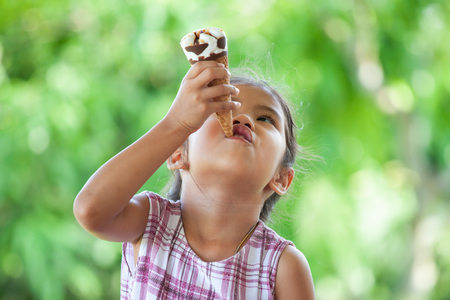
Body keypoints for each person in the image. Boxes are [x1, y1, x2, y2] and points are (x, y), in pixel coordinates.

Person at [74, 61, 315, 299]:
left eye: (265, 119)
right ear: (178, 152)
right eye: (222, 112)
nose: (243, 120)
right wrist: (175, 124)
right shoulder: (151, 222)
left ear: (281, 177)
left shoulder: (283, 267)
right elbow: (90, 210)